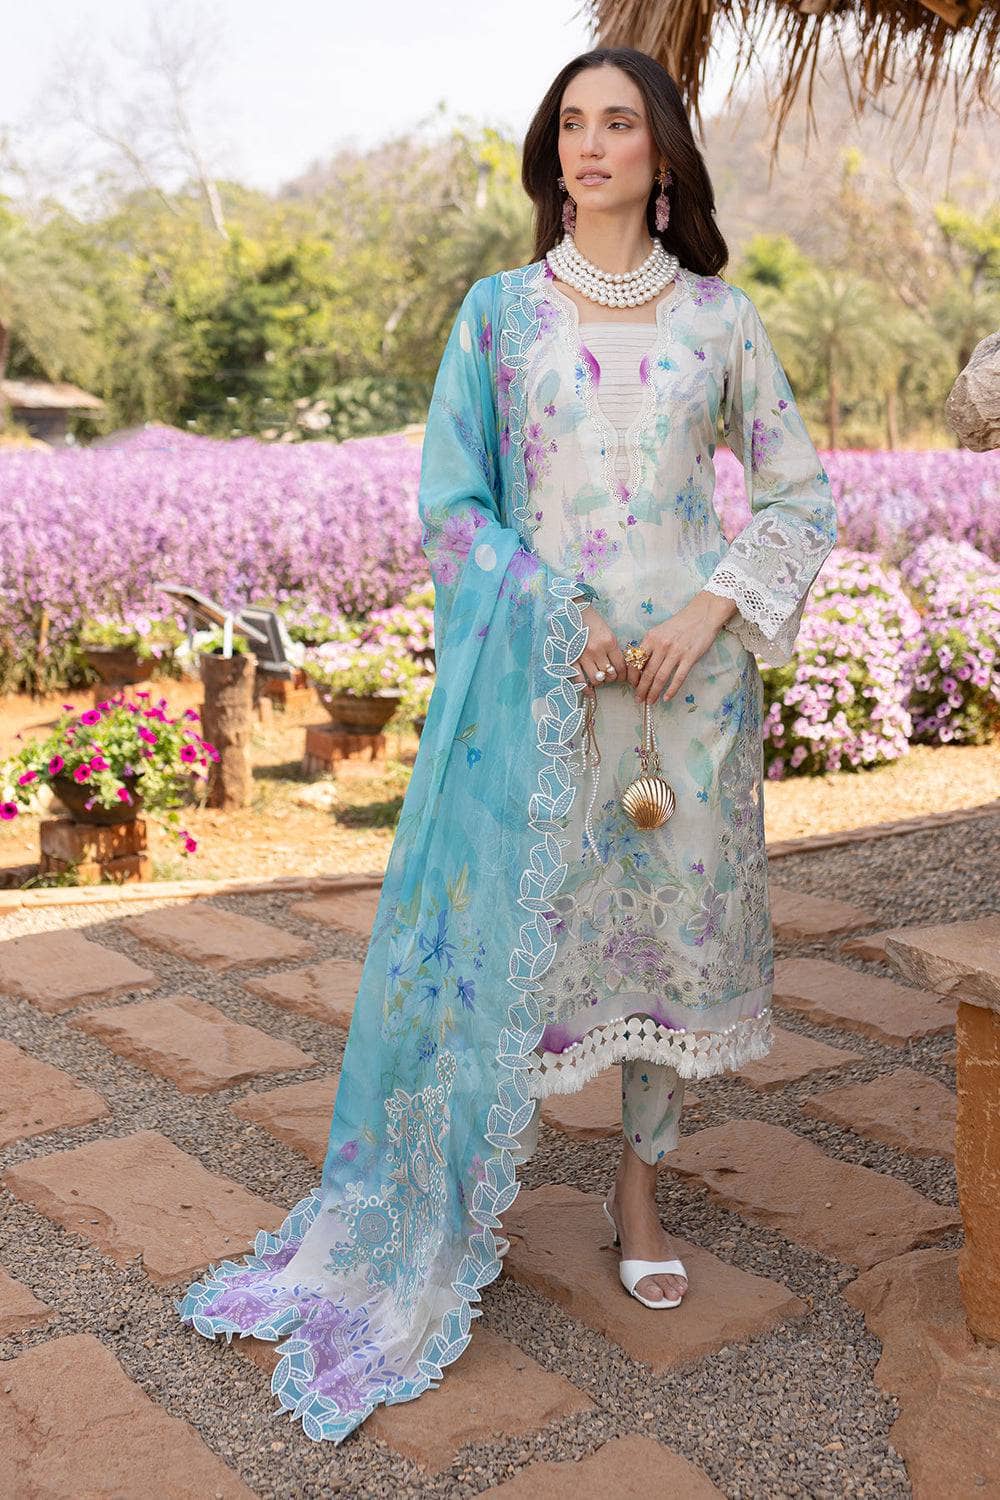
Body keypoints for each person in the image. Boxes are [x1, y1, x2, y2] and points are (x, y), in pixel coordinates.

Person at [176, 45, 838, 1443]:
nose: (591, 146)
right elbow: (454, 506)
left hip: (690, 695)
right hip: (546, 685)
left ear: (663, 155)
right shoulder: (500, 316)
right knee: (519, 939)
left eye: (620, 123)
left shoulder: (719, 322)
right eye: (572, 125)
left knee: (664, 949)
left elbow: (799, 498)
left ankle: (639, 1197)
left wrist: (711, 612)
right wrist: (560, 612)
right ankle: (460, 1182)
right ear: (554, 157)